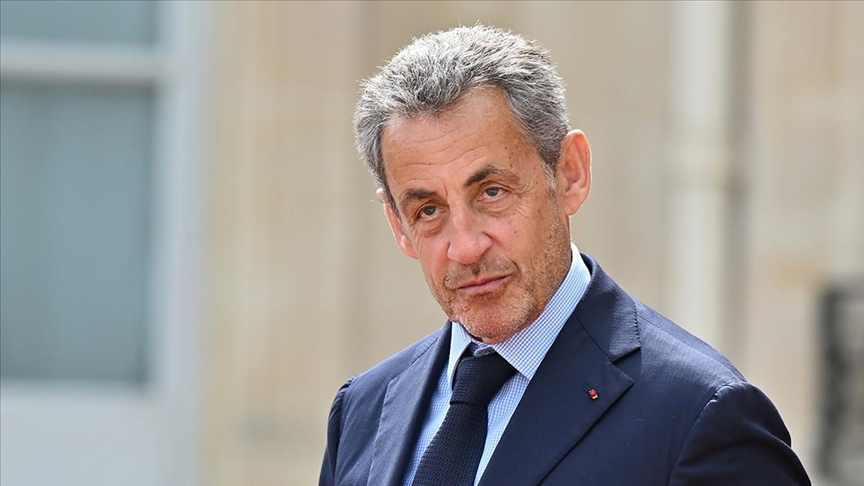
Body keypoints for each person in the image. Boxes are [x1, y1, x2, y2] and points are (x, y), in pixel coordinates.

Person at [319, 25, 810, 486]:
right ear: (398, 226)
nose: (465, 247)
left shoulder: (701, 415)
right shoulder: (362, 410)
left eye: (492, 192)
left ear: (570, 174)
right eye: (428, 210)